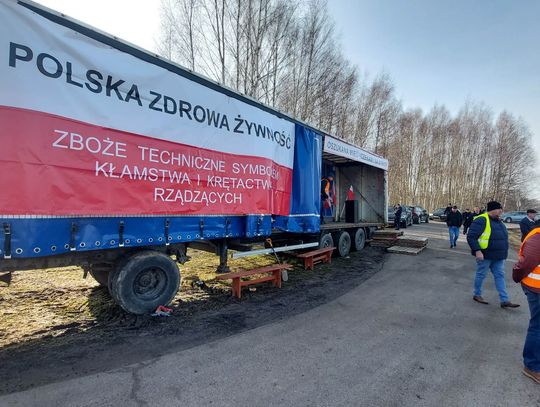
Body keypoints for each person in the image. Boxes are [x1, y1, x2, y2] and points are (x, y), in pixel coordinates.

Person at [467, 200, 519, 308]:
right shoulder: (481, 220)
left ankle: (504, 300)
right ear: (492, 209)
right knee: (481, 275)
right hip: (485, 255)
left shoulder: (499, 221)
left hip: (498, 257)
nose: (501, 211)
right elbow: (471, 237)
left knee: (500, 276)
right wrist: (477, 251)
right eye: (499, 209)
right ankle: (477, 294)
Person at [512, 225, 540, 384]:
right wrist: (517, 276)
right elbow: (526, 263)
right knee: (537, 327)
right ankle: (532, 366)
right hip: (537, 289)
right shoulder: (537, 238)